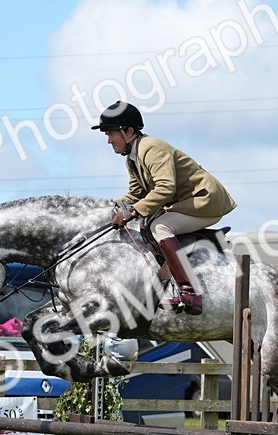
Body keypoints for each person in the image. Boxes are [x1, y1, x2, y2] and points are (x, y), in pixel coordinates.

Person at [93, 100, 236, 316]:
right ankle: (168, 279)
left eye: (111, 134)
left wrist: (132, 211)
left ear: (128, 131)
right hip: (186, 203)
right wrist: (109, 207)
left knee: (159, 227)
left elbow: (165, 188)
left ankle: (190, 293)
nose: (109, 141)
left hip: (205, 201)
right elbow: (136, 195)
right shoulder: (132, 158)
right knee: (147, 223)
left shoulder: (151, 148)